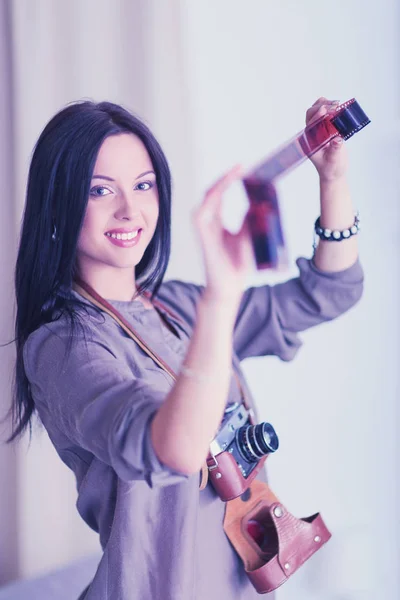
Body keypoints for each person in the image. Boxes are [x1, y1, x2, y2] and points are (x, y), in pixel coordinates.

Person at [8, 97, 363, 600]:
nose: (130, 209)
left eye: (144, 185)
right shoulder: (63, 344)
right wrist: (222, 296)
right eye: (99, 190)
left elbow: (329, 292)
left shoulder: (175, 306)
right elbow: (172, 449)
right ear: (59, 204)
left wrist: (332, 179)